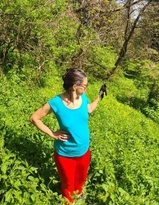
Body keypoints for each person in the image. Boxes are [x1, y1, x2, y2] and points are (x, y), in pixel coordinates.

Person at [30, 68, 106, 204]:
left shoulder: (82, 98)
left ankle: (79, 195)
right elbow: (34, 118)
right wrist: (52, 133)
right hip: (65, 154)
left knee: (81, 178)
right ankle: (69, 202)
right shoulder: (56, 103)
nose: (86, 88)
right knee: (68, 184)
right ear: (74, 86)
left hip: (84, 151)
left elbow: (88, 109)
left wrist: (99, 96)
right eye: (85, 85)